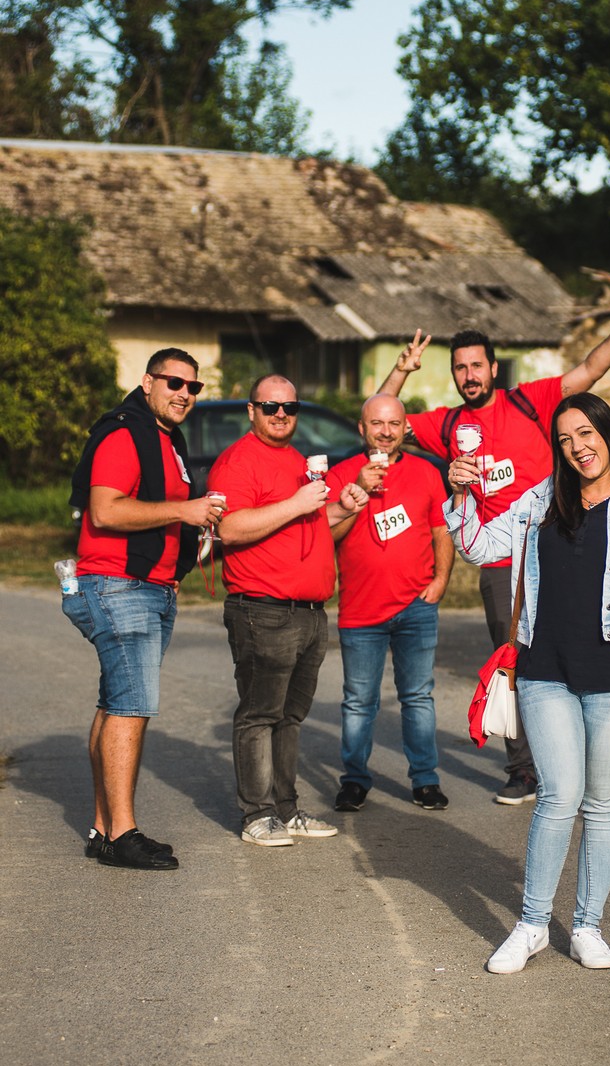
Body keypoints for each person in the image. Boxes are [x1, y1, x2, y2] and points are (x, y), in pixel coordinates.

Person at [445, 391, 610, 973]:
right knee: (558, 797)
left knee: (604, 804)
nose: (577, 447)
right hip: (544, 672)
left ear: (607, 433)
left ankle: (587, 926)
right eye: (564, 439)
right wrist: (459, 494)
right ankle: (532, 924)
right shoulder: (538, 502)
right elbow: (479, 546)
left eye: (586, 433)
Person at [380, 300, 610, 805]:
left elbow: (588, 370)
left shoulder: (529, 401)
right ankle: (525, 770)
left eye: (477, 364)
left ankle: (588, 761)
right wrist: (400, 371)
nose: (468, 374)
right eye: (460, 367)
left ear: (494, 369)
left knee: (580, 651)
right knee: (516, 663)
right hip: (502, 564)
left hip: (563, 549)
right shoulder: (448, 422)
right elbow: (382, 420)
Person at [64, 348, 223, 870]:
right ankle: (123, 835)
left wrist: (189, 529)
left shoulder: (164, 439)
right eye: (173, 382)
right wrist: (185, 508)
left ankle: (104, 827)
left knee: (116, 703)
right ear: (147, 382)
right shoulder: (124, 433)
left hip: (148, 587)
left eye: (192, 387)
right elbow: (106, 510)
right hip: (119, 585)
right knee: (131, 705)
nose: (183, 393)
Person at [210, 375, 369, 847]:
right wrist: (297, 502)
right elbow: (231, 530)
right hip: (263, 607)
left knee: (289, 717)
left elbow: (309, 524)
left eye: (290, 407)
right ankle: (257, 815)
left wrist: (344, 508)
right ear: (252, 410)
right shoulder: (237, 461)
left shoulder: (298, 461)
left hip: (309, 611)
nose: (282, 414)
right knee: (259, 714)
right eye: (271, 406)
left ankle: (286, 809)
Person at [325, 394, 454, 811]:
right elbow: (326, 539)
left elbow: (441, 531)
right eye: (377, 423)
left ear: (404, 429)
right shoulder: (341, 475)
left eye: (394, 424)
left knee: (417, 696)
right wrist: (358, 490)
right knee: (359, 700)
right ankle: (355, 779)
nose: (385, 431)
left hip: (416, 606)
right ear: (361, 428)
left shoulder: (425, 473)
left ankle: (425, 780)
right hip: (361, 610)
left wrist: (440, 580)